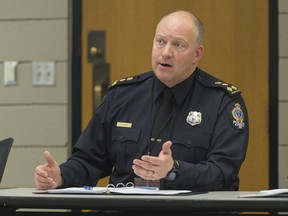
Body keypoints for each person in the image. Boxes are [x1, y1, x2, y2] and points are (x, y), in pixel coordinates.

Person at [34, 10, 249, 191]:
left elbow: (224, 174)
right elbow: (89, 160)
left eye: (178, 45)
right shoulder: (122, 95)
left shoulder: (222, 102)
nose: (166, 53)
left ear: (197, 54)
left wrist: (174, 169)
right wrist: (60, 176)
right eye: (160, 41)